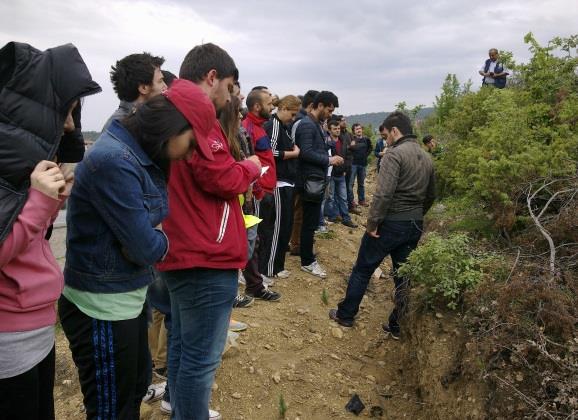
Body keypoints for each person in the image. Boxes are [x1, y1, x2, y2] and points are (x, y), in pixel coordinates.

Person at [59, 80, 215, 420]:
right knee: (111, 409)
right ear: (172, 130)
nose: (191, 155)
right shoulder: (116, 161)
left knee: (132, 391)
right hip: (102, 306)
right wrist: (161, 238)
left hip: (124, 299)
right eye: (191, 143)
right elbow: (145, 247)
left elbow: (144, 240)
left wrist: (152, 235)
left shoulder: (138, 155)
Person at [156, 43, 261, 420]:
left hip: (182, 247)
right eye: (230, 85)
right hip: (203, 253)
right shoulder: (195, 112)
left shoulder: (173, 107)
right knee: (200, 361)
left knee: (184, 349)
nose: (231, 95)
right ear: (212, 76)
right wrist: (249, 166)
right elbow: (222, 176)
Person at [0, 41, 101, 420]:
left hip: (36, 325)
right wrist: (40, 203)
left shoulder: (18, 164)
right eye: (66, 111)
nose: (72, 124)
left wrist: (50, 200)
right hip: (10, 337)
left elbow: (22, 240)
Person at [329, 111, 435, 340]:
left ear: (395, 131)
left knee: (363, 268)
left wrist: (372, 223)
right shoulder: (427, 157)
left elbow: (384, 194)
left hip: (389, 223)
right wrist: (416, 215)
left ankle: (346, 314)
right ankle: (397, 325)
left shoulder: (394, 155)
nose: (385, 140)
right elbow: (431, 196)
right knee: (403, 275)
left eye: (386, 135)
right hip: (414, 224)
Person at [295, 91, 343, 278]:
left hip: (314, 181)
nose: (330, 115)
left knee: (311, 221)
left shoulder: (316, 125)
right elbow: (305, 152)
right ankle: (307, 261)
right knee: (309, 223)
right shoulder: (308, 125)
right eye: (329, 110)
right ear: (320, 105)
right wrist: (329, 160)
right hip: (309, 182)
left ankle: (308, 257)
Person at [240, 89, 281, 301]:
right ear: (257, 106)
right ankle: (254, 285)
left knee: (259, 238)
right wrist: (253, 195)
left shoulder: (258, 127)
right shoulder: (247, 128)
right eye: (268, 103)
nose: (272, 106)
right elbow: (249, 163)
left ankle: (256, 281)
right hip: (256, 193)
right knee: (252, 240)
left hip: (265, 190)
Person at [264, 95, 301, 277]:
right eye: (292, 114)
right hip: (277, 182)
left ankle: (278, 266)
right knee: (277, 227)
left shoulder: (284, 127)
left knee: (285, 226)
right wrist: (291, 154)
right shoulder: (274, 125)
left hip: (287, 181)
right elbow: (269, 152)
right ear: (284, 108)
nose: (293, 119)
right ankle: (270, 269)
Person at [102, 52, 167, 131]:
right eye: (160, 81)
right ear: (143, 88)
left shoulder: (127, 122)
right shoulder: (123, 128)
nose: (165, 87)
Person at [289, 89, 319, 256]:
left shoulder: (299, 120)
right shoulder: (303, 122)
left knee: (296, 211)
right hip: (299, 175)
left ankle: (293, 241)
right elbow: (304, 151)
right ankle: (296, 244)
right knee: (299, 212)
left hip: (295, 173)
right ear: (312, 105)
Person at [325, 120, 357, 228]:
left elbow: (348, 156)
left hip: (341, 174)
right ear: (329, 130)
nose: (337, 130)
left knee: (343, 197)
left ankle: (346, 218)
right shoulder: (327, 142)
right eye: (335, 129)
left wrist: (345, 169)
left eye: (338, 128)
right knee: (331, 197)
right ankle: (332, 217)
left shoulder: (343, 141)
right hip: (331, 174)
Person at [348, 123, 372, 207]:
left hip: (363, 164)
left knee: (361, 184)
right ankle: (351, 202)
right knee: (351, 184)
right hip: (353, 164)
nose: (359, 130)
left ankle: (361, 200)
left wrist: (365, 155)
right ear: (354, 131)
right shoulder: (352, 140)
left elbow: (370, 148)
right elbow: (348, 149)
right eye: (356, 129)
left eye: (360, 128)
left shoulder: (366, 139)